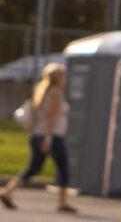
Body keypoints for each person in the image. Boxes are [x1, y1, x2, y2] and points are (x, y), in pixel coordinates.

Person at [2, 61, 74, 214]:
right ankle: (63, 202)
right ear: (58, 78)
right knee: (64, 168)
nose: (66, 79)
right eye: (64, 76)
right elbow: (51, 117)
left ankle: (8, 191)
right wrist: (48, 138)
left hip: (37, 134)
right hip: (52, 136)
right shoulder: (55, 92)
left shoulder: (40, 91)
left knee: (33, 168)